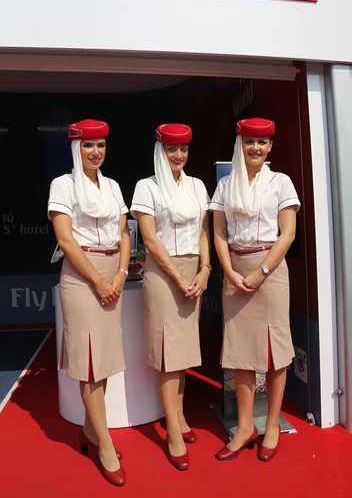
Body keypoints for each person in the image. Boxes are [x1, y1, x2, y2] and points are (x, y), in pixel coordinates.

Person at [210, 117, 300, 463]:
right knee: (240, 352)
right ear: (239, 144)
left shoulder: (281, 182)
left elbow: (288, 233)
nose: (256, 149)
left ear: (270, 147)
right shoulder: (225, 186)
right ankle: (245, 427)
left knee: (275, 349)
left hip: (271, 269)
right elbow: (218, 234)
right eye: (250, 142)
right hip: (235, 269)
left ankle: (272, 425)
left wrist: (262, 271)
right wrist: (230, 272)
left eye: (262, 143)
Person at [47, 119, 130, 486]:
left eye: (100, 145)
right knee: (89, 362)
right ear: (74, 148)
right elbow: (65, 240)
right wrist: (98, 281)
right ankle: (106, 444)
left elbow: (126, 232)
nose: (95, 152)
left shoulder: (112, 185)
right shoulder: (62, 185)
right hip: (82, 277)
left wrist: (121, 275)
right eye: (88, 145)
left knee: (105, 361)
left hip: (114, 273)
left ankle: (90, 432)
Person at [131, 123, 211, 471]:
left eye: (184, 149)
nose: (178, 156)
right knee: (167, 352)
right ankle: (172, 432)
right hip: (164, 275)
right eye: (171, 149)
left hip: (194, 271)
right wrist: (179, 277)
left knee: (182, 351)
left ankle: (177, 417)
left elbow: (205, 230)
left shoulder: (197, 185)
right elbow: (149, 239)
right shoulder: (146, 187)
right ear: (159, 150)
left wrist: (206, 270)